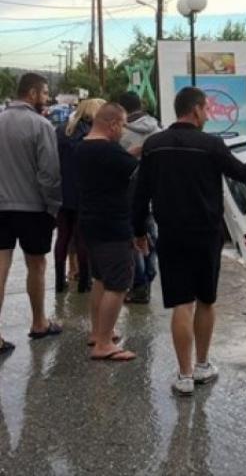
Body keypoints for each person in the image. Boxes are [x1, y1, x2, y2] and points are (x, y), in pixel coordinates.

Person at [133, 87, 246, 395]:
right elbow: (244, 174)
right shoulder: (211, 145)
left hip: (171, 233)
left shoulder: (154, 145)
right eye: (206, 110)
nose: (208, 115)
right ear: (195, 110)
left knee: (182, 303)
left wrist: (138, 231)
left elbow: (140, 193)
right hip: (206, 235)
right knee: (206, 300)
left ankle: (183, 376)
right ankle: (203, 366)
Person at [0, 73, 63, 355]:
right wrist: (53, 208)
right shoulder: (41, 125)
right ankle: (39, 322)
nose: (47, 98)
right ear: (34, 93)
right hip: (33, 207)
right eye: (45, 93)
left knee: (0, 265)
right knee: (36, 265)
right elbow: (49, 173)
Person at [75, 103, 139, 361]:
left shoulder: (82, 147)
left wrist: (131, 153)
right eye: (122, 125)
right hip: (113, 226)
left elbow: (118, 164)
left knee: (100, 280)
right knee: (118, 284)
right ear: (112, 124)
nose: (122, 131)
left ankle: (98, 332)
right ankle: (104, 343)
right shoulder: (110, 151)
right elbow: (136, 174)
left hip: (90, 222)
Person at [54, 98, 105, 293]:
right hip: (84, 193)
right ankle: (85, 281)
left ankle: (60, 280)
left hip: (63, 192)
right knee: (83, 239)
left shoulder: (61, 130)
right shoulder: (92, 133)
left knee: (63, 237)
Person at [118, 91, 161, 304]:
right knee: (150, 236)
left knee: (134, 240)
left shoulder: (121, 132)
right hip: (155, 192)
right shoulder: (157, 127)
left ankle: (139, 284)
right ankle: (149, 276)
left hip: (129, 193)